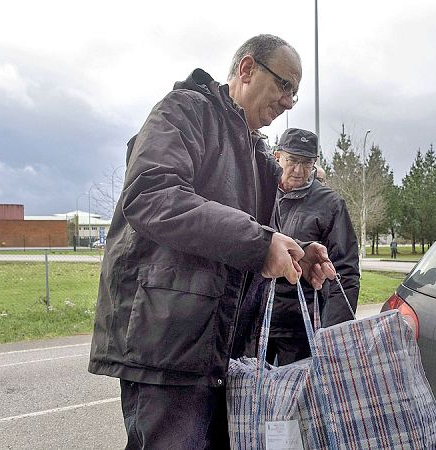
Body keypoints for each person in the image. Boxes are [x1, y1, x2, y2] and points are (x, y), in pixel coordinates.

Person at [88, 35, 336, 450]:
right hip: (168, 348)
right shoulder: (184, 111)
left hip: (223, 354)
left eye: (295, 92)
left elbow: (251, 244)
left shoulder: (257, 154)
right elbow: (150, 197)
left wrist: (295, 255)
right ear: (246, 69)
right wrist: (261, 244)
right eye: (284, 85)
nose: (290, 102)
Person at [266, 128, 360, 366]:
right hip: (255, 323)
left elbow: (345, 272)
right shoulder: (261, 191)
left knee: (298, 399)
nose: (299, 170)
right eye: (293, 161)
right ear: (278, 156)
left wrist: (333, 335)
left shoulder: (330, 204)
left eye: (307, 163)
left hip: (301, 326)